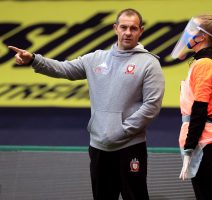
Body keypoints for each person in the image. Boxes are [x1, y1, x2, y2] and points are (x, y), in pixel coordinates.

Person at [9, 8, 165, 200]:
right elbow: (64, 69)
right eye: (123, 27)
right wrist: (33, 59)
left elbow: (152, 106)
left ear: (141, 31)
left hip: (130, 147)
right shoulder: (96, 59)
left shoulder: (150, 63)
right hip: (99, 147)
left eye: (133, 28)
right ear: (115, 28)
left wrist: (121, 131)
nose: (128, 32)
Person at [171, 14, 212, 199]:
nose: (187, 34)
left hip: (207, 141)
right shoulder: (205, 62)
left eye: (192, 31)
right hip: (207, 140)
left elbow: (200, 108)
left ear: (202, 37)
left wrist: (189, 148)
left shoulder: (204, 65)